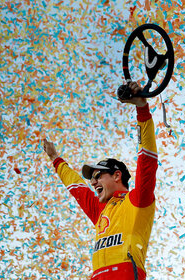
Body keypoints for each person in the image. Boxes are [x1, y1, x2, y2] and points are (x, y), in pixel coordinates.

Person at [43, 82, 158, 280]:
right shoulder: (100, 210)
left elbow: (146, 160)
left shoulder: (137, 200)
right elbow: (76, 187)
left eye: (98, 176)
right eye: (92, 179)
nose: (93, 183)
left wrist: (142, 110)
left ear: (116, 175)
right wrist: (55, 159)